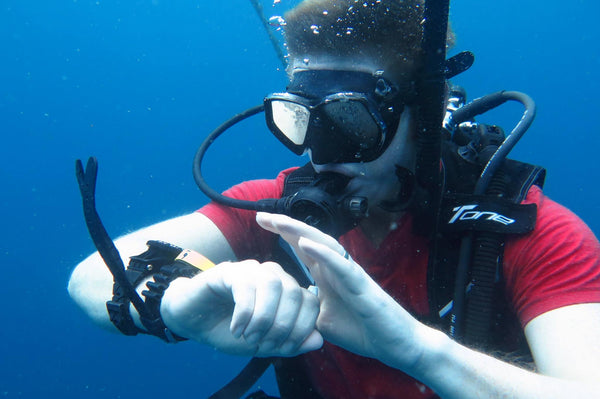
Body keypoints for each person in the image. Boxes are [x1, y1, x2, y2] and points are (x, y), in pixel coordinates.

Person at [68, 0, 600, 398]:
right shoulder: (274, 212)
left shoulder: (526, 234)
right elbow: (89, 277)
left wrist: (416, 350)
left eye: (350, 122)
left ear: (425, 119)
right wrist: (177, 302)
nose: (322, 158)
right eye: (300, 119)